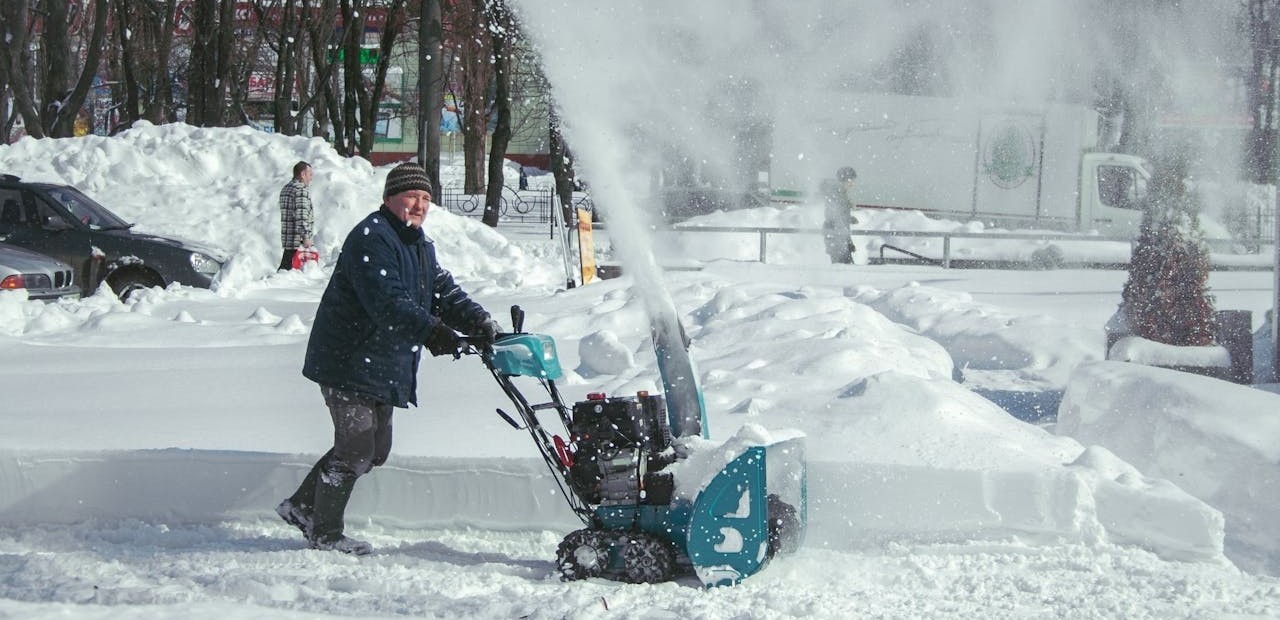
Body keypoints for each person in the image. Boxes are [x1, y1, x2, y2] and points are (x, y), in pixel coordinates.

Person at [275, 162, 501, 555]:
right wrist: (433, 332)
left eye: (426, 198)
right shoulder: (371, 238)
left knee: (375, 451)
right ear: (389, 198)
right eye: (411, 196)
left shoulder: (416, 242)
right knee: (356, 448)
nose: (419, 205)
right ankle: (323, 531)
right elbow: (388, 302)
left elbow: (440, 290)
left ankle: (302, 506)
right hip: (348, 359)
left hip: (381, 362)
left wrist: (477, 319)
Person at [279, 161, 315, 271]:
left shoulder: (286, 189)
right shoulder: (300, 191)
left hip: (288, 240)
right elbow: (301, 215)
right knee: (290, 276)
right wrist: (306, 237)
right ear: (303, 174)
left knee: (285, 270)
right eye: (310, 175)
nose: (311, 178)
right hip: (297, 242)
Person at [821, 166, 859, 264]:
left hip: (837, 238)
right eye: (852, 180)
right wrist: (847, 218)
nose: (853, 183)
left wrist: (848, 241)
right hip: (836, 238)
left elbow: (840, 219)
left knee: (843, 268)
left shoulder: (841, 194)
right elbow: (834, 217)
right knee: (843, 269)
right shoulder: (837, 194)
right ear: (846, 180)